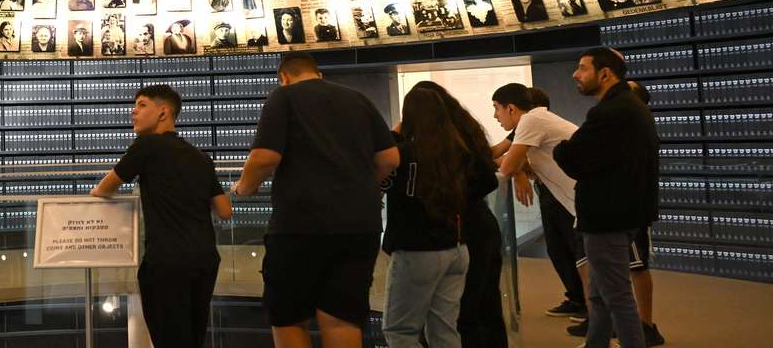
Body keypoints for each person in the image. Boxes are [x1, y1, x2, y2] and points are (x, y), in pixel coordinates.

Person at [233, 53, 400, 348]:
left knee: (289, 316)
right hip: (360, 226)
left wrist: (243, 188)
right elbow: (389, 158)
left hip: (300, 226)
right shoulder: (358, 99)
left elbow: (265, 157)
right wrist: (361, 187)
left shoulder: (283, 98)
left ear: (283, 77)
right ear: (319, 74)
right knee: (341, 317)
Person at [91, 85, 231, 348]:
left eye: (142, 105)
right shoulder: (201, 157)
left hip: (166, 261)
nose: (133, 112)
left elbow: (106, 187)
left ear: (163, 112)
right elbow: (224, 211)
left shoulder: (147, 146)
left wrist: (95, 191)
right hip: (205, 259)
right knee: (192, 338)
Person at [554, 48, 659, 348]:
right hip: (624, 214)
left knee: (616, 296)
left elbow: (572, 158)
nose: (575, 74)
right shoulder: (632, 107)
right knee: (600, 294)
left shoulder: (610, 112)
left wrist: (561, 148)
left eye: (582, 68)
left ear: (604, 73)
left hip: (607, 217)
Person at [382, 86, 493, 348]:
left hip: (415, 250)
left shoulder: (402, 154)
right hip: (456, 247)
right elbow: (487, 179)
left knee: (400, 331)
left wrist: (394, 134)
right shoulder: (461, 152)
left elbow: (377, 174)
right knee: (444, 329)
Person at [491, 84, 588, 325]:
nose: (495, 115)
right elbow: (504, 157)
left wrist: (514, 171)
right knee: (572, 254)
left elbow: (507, 165)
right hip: (577, 198)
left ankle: (599, 319)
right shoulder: (533, 120)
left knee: (586, 259)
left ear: (512, 108)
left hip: (584, 199)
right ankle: (594, 314)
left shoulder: (532, 121)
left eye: (496, 108)